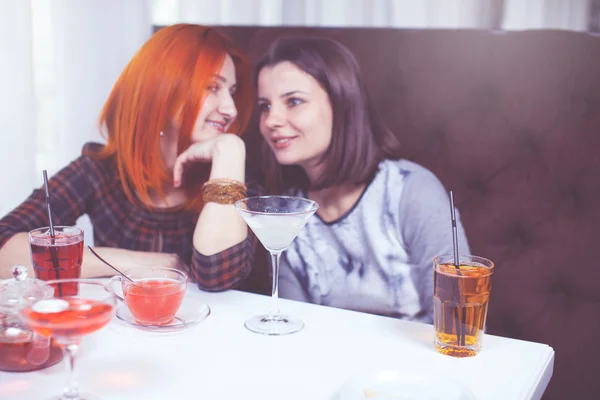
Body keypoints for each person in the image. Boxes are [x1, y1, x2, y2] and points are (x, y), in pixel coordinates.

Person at [0, 24, 259, 291]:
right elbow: (3, 247)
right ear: (163, 91)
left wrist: (229, 148)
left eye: (232, 91)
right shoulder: (99, 171)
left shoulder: (234, 176)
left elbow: (217, 275)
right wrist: (136, 263)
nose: (230, 109)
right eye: (213, 87)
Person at [254, 36, 470, 322]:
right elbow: (293, 322)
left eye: (294, 101)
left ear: (343, 103)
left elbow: (459, 321)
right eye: (265, 106)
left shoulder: (410, 190)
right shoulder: (286, 212)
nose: (271, 120)